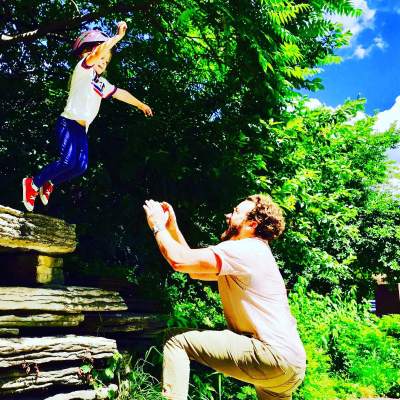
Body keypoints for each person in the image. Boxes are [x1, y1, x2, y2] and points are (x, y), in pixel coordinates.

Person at [143, 194, 306, 400]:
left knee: (176, 341)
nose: (228, 215)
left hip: (271, 354)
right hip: (294, 365)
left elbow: (178, 261)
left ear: (252, 224)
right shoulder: (256, 252)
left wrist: (158, 225)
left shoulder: (244, 249)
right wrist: (172, 226)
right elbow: (193, 270)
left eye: (236, 212)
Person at [22, 21, 153, 212]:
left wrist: (141, 105)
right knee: (67, 161)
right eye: (101, 58)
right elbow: (97, 53)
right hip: (67, 123)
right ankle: (32, 183)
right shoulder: (82, 71)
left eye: (106, 61)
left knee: (80, 167)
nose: (103, 62)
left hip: (81, 130)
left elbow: (120, 93)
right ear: (87, 55)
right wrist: (117, 38)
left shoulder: (102, 83)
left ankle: (49, 181)